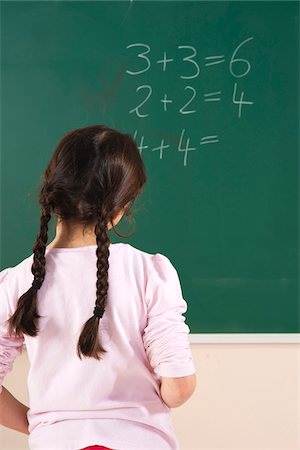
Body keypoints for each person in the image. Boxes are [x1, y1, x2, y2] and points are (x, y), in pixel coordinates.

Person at [0, 125, 196, 450]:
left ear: (53, 194)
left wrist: (42, 425)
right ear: (121, 208)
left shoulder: (17, 281)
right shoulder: (150, 272)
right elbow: (180, 386)